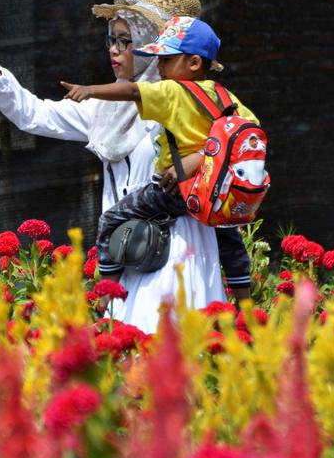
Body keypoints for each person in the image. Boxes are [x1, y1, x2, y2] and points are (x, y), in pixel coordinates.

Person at [0, 0, 224, 332]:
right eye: (111, 40)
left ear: (152, 47)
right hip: (128, 250)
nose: (114, 51)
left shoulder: (189, 105)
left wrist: (192, 165)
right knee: (126, 360)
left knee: (167, 354)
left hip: (176, 248)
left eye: (125, 41)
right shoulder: (105, 109)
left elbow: (226, 151)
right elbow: (34, 115)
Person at [60, 15, 255, 304]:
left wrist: (90, 91)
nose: (159, 66)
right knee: (229, 240)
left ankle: (106, 296)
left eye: (166, 59)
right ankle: (245, 304)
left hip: (175, 191)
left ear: (193, 63)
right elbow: (249, 132)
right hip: (214, 191)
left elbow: (130, 90)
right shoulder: (224, 96)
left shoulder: (172, 90)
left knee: (111, 218)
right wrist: (205, 158)